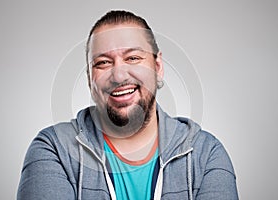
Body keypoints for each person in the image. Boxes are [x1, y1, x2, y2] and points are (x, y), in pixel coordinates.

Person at [17, 10, 238, 200]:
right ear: (89, 78)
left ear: (158, 66)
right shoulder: (54, 149)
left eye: (133, 58)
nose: (119, 75)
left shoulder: (205, 153)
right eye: (103, 62)